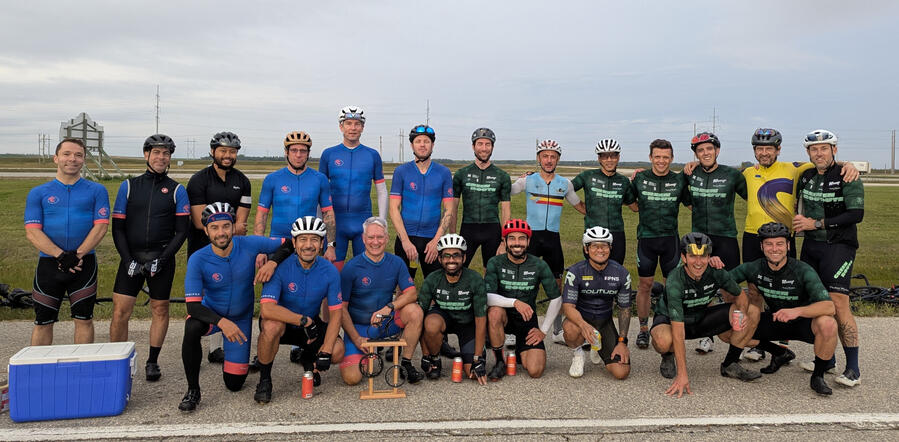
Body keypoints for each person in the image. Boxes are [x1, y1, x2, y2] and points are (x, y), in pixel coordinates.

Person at [178, 203, 292, 412]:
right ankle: (193, 389)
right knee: (192, 327)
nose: (221, 233)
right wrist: (222, 322)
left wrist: (272, 263)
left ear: (233, 227)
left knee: (234, 385)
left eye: (226, 226)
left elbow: (289, 244)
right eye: (214, 228)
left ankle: (233, 362)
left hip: (240, 319)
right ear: (206, 230)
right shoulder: (198, 259)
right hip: (213, 315)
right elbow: (193, 307)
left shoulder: (248, 243)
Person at [109, 134, 189, 382]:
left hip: (161, 257)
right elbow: (117, 228)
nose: (161, 157)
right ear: (146, 155)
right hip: (131, 257)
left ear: (170, 158)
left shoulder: (177, 190)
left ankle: (152, 361)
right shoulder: (129, 186)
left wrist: (162, 260)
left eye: (165, 154)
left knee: (160, 309)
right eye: (156, 152)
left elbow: (182, 231)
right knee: (121, 310)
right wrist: (127, 259)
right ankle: (116, 358)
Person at [254, 131, 337, 365]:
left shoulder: (320, 179)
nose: (298, 154)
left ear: (308, 154)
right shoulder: (272, 179)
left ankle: (303, 342)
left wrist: (330, 244)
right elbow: (262, 215)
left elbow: (328, 213)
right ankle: (265, 346)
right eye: (294, 150)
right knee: (273, 297)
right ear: (286, 153)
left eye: (303, 151)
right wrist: (260, 248)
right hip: (278, 243)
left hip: (309, 241)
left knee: (311, 291)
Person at [729, 222, 839, 395]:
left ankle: (817, 377)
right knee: (728, 329)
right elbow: (724, 281)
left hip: (802, 322)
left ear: (788, 245)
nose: (774, 249)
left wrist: (797, 311)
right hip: (775, 319)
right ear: (761, 246)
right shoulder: (754, 267)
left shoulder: (802, 270)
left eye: (779, 244)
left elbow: (829, 306)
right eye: (769, 244)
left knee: (828, 324)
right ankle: (778, 353)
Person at [650, 233, 761, 398]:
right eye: (693, 256)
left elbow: (740, 295)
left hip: (700, 316)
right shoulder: (675, 280)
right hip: (672, 321)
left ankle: (730, 364)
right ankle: (668, 355)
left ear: (709, 257)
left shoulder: (716, 271)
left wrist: (741, 314)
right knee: (663, 341)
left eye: (703, 256)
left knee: (753, 311)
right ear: (683, 257)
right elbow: (678, 332)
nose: (698, 262)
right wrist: (683, 374)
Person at [793, 130, 864, 387]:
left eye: (824, 148)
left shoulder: (847, 176)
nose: (819, 153)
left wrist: (816, 223)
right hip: (812, 247)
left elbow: (856, 214)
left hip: (839, 246)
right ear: (808, 153)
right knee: (817, 301)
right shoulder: (807, 175)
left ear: (835, 149)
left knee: (838, 303)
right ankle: (827, 360)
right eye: (814, 149)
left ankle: (854, 369)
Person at [24, 138, 109, 345]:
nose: (73, 159)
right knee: (43, 321)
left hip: (84, 263)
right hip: (49, 264)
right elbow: (33, 231)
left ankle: (81, 371)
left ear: (84, 160)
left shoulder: (97, 190)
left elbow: (101, 227)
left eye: (78, 155)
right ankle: (38, 372)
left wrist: (77, 255)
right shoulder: (38, 193)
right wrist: (61, 256)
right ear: (56, 158)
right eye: (67, 154)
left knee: (84, 319)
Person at [254, 216, 345, 403]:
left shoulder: (330, 271)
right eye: (303, 239)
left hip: (309, 325)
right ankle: (264, 379)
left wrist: (326, 351)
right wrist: (303, 320)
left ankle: (308, 360)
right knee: (270, 327)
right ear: (294, 242)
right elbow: (267, 310)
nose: (308, 245)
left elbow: (336, 313)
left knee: (337, 350)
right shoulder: (279, 267)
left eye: (314, 239)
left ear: (322, 244)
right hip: (286, 324)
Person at [510, 139, 585, 343]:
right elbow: (508, 191)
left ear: (558, 159)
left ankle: (557, 330)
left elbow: (579, 206)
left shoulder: (565, 183)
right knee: (524, 284)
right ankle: (515, 328)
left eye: (553, 156)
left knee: (557, 285)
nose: (549, 160)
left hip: (553, 239)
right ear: (538, 158)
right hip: (531, 238)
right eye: (545, 156)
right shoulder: (528, 180)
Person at [186, 131, 252, 363]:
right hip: (202, 249)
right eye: (223, 150)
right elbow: (198, 221)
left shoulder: (242, 181)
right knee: (206, 297)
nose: (227, 155)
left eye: (232, 151)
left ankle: (220, 347)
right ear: (213, 151)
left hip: (232, 251)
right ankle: (208, 345)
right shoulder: (198, 180)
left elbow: (242, 225)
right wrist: (229, 228)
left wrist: (227, 230)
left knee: (229, 292)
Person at [338, 217, 425, 386]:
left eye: (380, 237)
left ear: (387, 238)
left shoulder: (397, 262)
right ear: (363, 239)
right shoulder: (351, 268)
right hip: (359, 328)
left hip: (385, 324)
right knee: (352, 378)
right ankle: (362, 350)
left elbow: (412, 293)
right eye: (371, 237)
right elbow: (341, 309)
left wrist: (389, 307)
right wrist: (356, 339)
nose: (375, 242)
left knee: (415, 311)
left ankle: (405, 364)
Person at [682, 132, 747, 354]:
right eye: (701, 150)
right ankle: (707, 336)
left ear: (717, 151)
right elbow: (683, 196)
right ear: (696, 154)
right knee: (703, 288)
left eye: (709, 149)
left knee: (730, 290)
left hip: (726, 237)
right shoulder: (690, 174)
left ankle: (741, 335)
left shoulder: (732, 175)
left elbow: (754, 195)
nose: (706, 153)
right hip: (700, 240)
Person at [484, 219, 563, 380]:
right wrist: (514, 302)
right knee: (494, 313)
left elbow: (556, 298)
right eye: (512, 238)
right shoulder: (495, 262)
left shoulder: (539, 265)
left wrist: (543, 330)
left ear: (528, 242)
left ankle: (519, 349)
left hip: (527, 320)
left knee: (535, 371)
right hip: (504, 316)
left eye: (522, 238)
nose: (517, 243)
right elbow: (487, 297)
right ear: (504, 241)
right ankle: (500, 361)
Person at [632, 139, 690, 350]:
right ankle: (643, 329)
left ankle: (666, 325)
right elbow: (632, 206)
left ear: (672, 158)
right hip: (646, 239)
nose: (661, 161)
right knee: (645, 285)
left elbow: (691, 204)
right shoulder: (639, 178)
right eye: (657, 156)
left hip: (670, 241)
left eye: (666, 157)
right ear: (650, 158)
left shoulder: (679, 180)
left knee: (670, 286)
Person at [319, 106, 388, 271]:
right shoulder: (328, 154)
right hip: (336, 222)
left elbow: (381, 191)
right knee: (332, 272)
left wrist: (381, 222)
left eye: (357, 124)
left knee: (365, 272)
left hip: (362, 221)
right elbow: (320, 192)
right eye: (348, 123)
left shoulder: (372, 155)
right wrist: (320, 220)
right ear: (341, 126)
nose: (353, 128)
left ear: (362, 127)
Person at [561, 226, 632, 380]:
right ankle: (578, 353)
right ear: (586, 249)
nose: (600, 250)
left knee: (621, 373)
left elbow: (624, 309)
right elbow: (568, 307)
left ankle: (597, 345)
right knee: (570, 328)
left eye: (604, 245)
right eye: (594, 246)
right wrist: (583, 325)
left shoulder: (622, 273)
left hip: (604, 321)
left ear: (610, 248)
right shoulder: (575, 272)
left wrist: (622, 342)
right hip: (581, 320)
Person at [417, 234, 488, 384]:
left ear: (464, 258)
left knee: (472, 374)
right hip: (443, 318)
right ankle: (435, 358)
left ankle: (475, 353)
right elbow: (419, 319)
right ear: (439, 259)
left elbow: (481, 320)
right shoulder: (432, 279)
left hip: (468, 323)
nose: (451, 260)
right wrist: (425, 354)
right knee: (430, 323)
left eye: (456, 255)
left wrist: (477, 357)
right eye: (446, 256)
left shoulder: (475, 279)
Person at [389, 124, 454, 279]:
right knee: (403, 287)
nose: (422, 145)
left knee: (435, 286)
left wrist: (436, 241)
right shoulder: (401, 171)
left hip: (432, 239)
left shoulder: (443, 173)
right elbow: (393, 208)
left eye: (426, 141)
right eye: (418, 141)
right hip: (407, 237)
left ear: (432, 145)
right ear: (412, 144)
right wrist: (405, 241)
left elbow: (449, 210)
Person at [571, 138, 637, 265]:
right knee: (592, 269)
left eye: (613, 156)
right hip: (592, 230)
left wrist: (643, 176)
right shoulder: (587, 176)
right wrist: (579, 206)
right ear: (599, 159)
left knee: (616, 270)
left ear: (618, 157)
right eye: (605, 156)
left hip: (617, 232)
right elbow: (564, 188)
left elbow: (634, 207)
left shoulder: (624, 181)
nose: (609, 160)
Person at [451, 128, 511, 267]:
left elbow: (506, 210)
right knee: (458, 267)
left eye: (487, 144)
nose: (484, 148)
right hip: (468, 228)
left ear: (492, 147)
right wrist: (453, 235)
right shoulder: (461, 174)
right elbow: (452, 208)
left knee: (491, 271)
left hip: (492, 230)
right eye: (480, 144)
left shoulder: (502, 176)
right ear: (473, 146)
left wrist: (504, 240)